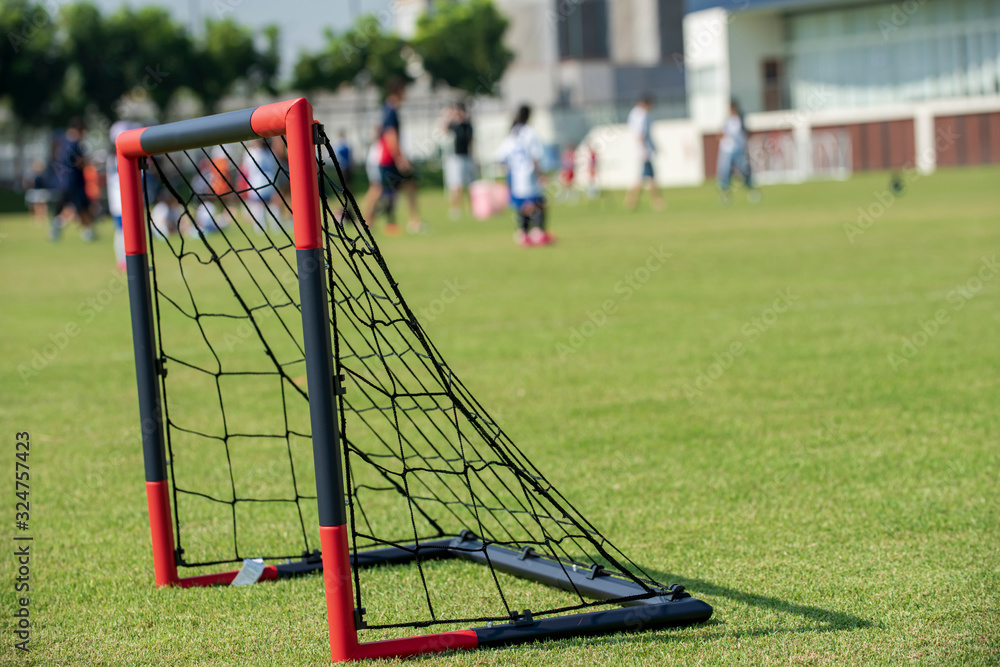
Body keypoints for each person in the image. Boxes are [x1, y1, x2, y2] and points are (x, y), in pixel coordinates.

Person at [366, 77, 425, 235]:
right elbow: (390, 135)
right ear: (399, 90)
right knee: (379, 189)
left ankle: (369, 221)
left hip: (388, 157)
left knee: (405, 184)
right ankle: (368, 221)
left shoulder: (387, 107)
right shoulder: (391, 108)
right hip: (388, 158)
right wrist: (400, 158)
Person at [495, 104, 553, 247]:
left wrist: (509, 170)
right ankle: (538, 233)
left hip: (515, 176)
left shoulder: (512, 133)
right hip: (529, 174)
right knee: (538, 203)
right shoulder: (529, 132)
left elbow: (500, 157)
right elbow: (534, 156)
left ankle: (523, 234)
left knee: (522, 206)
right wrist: (540, 174)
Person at [51, 118, 95, 241]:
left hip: (63, 181)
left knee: (76, 207)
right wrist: (89, 162)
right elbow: (77, 162)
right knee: (80, 207)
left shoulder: (62, 141)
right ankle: (87, 232)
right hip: (74, 181)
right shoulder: (73, 142)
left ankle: (87, 231)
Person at [107, 120, 141, 271]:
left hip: (122, 200)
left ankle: (125, 260)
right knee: (123, 230)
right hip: (120, 201)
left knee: (125, 230)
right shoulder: (118, 157)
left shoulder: (115, 157)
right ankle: (124, 260)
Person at [624, 95, 664, 212]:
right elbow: (640, 134)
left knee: (649, 177)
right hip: (643, 151)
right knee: (644, 178)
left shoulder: (636, 114)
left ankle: (635, 202)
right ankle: (633, 201)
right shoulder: (640, 115)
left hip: (642, 150)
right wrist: (645, 149)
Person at [716, 100, 761, 203]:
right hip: (727, 150)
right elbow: (721, 134)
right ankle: (725, 196)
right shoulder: (726, 121)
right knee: (725, 173)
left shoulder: (740, 118)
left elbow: (745, 133)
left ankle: (752, 191)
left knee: (744, 170)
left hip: (739, 150)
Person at [441, 101, 474, 220]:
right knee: (456, 184)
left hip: (466, 157)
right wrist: (448, 116)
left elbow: (471, 141)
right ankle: (456, 208)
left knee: (470, 184)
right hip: (455, 158)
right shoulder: (454, 125)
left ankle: (471, 207)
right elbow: (444, 129)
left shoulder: (468, 125)